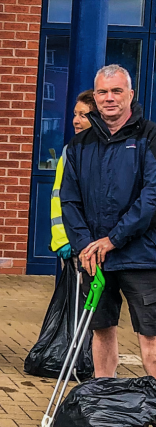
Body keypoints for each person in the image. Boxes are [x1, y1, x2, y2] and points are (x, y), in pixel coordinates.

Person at [61, 64, 156, 378]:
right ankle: (105, 404)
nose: (109, 98)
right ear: (96, 97)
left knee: (151, 341)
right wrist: (84, 246)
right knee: (101, 332)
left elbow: (151, 198)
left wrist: (114, 239)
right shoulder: (79, 145)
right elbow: (69, 201)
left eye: (117, 91)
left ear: (130, 94)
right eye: (103, 92)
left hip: (141, 257)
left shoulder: (150, 138)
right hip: (95, 258)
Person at [50, 90, 96, 262]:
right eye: (75, 114)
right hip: (75, 243)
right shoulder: (69, 151)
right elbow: (58, 196)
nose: (75, 121)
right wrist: (62, 239)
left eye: (83, 115)